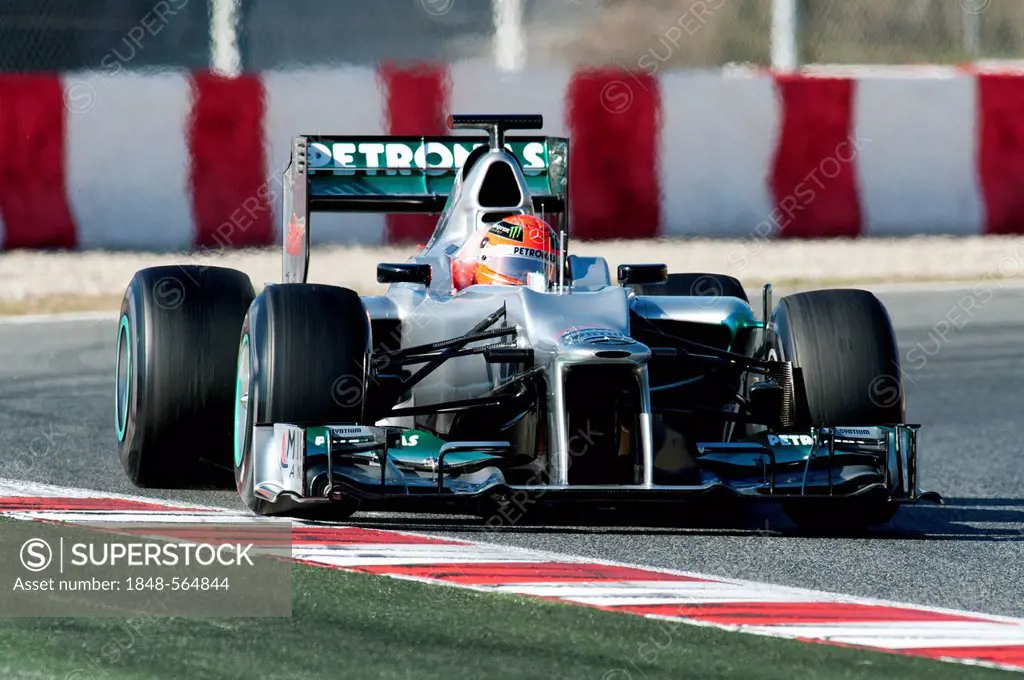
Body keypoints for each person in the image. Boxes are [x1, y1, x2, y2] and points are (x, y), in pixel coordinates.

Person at [451, 214, 558, 291]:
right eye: (515, 266)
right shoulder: (454, 287)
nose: (524, 280)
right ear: (485, 258)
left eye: (537, 270)